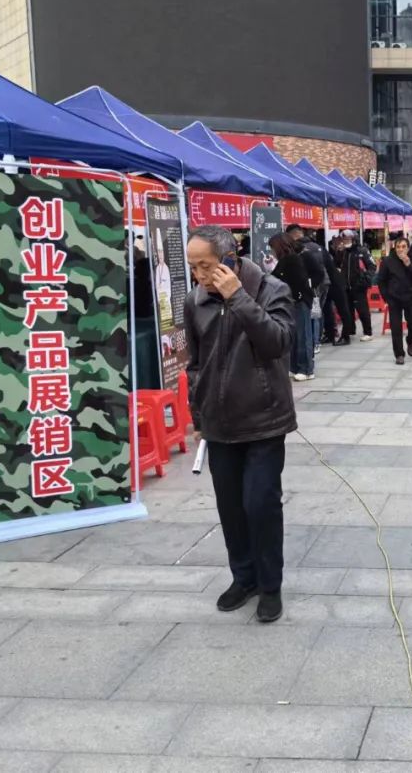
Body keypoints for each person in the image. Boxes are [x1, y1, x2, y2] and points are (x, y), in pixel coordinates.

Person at [184, 225, 295, 623]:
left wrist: (238, 298)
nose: (199, 275)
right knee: (231, 508)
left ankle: (270, 585)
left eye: (206, 265)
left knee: (260, 504)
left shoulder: (271, 289)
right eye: (193, 266)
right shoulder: (195, 301)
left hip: (264, 419)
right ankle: (243, 578)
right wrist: (198, 416)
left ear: (230, 258)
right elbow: (195, 365)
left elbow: (278, 342)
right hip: (219, 423)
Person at [269, 233, 314, 381]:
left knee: (302, 336)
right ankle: (294, 367)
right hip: (291, 302)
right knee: (294, 336)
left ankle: (306, 368)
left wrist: (299, 296)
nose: (272, 251)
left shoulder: (293, 259)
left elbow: (299, 280)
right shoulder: (285, 260)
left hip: (299, 301)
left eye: (273, 248)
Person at [376, 237, 412, 365]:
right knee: (395, 327)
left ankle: (410, 340)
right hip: (394, 299)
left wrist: (409, 265)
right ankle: (399, 354)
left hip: (411, 298)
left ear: (408, 248)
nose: (401, 249)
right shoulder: (387, 261)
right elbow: (381, 280)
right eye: (398, 247)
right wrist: (386, 298)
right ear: (394, 248)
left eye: (403, 247)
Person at [288, 226, 329, 354]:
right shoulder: (317, 246)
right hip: (322, 283)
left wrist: (309, 284)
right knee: (317, 313)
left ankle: (314, 342)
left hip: (311, 286)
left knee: (312, 315)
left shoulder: (301, 250)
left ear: (294, 235)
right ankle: (317, 341)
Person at [337, 233, 376, 341]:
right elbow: (338, 264)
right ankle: (350, 330)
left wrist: (365, 279)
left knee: (362, 310)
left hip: (359, 286)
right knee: (348, 310)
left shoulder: (362, 251)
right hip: (346, 286)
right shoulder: (344, 252)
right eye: (344, 239)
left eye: (348, 239)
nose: (345, 241)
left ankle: (368, 332)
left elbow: (372, 266)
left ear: (354, 239)